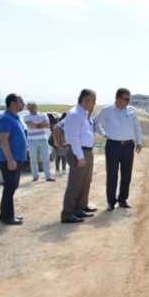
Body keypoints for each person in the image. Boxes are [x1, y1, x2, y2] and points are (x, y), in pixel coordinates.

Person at [94, 88, 143, 211]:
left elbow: (137, 127)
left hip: (128, 146)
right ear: (117, 98)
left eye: (129, 99)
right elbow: (95, 122)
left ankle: (123, 200)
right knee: (112, 174)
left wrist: (139, 142)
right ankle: (111, 202)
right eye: (125, 99)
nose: (128, 101)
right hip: (113, 146)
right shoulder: (107, 110)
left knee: (126, 174)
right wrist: (103, 133)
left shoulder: (131, 111)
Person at [61, 89, 97, 224]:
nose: (93, 103)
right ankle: (67, 213)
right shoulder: (75, 114)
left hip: (86, 151)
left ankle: (78, 209)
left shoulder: (84, 114)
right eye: (92, 100)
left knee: (84, 183)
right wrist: (80, 156)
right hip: (79, 152)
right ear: (85, 99)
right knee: (75, 184)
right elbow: (73, 137)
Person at [0, 93, 27, 225]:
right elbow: (3, 140)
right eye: (21, 101)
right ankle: (7, 217)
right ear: (13, 103)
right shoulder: (6, 119)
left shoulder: (15, 118)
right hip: (8, 160)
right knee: (9, 188)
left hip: (15, 159)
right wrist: (10, 159)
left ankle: (7, 215)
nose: (23, 104)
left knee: (12, 187)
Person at [24, 102, 55, 182]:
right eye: (29, 107)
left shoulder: (43, 114)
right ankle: (35, 176)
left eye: (32, 107)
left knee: (46, 158)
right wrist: (41, 124)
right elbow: (30, 125)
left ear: (36, 107)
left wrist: (37, 125)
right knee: (33, 159)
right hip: (32, 140)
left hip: (43, 139)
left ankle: (48, 176)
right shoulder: (26, 116)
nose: (30, 108)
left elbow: (47, 125)